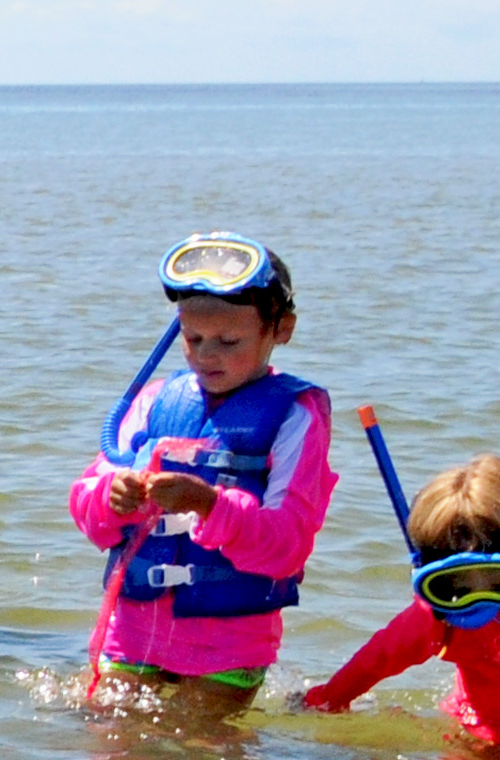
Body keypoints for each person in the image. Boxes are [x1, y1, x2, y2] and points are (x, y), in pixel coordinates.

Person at [71, 234, 329, 705]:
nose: (207, 355)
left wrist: (209, 505)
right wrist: (111, 497)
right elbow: (89, 510)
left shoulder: (296, 416)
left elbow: (289, 546)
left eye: (229, 341)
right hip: (131, 632)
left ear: (282, 329)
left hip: (228, 645)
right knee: (108, 756)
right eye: (193, 339)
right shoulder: (155, 401)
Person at [302, 451, 500, 746]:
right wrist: (325, 701)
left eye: (496, 583)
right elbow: (377, 659)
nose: (479, 604)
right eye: (458, 588)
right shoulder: (437, 618)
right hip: (477, 730)